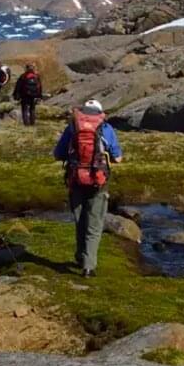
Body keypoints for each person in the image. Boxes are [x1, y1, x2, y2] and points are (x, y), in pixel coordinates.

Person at [53, 99, 123, 278]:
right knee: (95, 223)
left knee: (80, 220)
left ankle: (80, 256)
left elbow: (58, 154)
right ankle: (88, 266)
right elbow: (118, 158)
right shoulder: (105, 128)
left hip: (75, 179)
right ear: (99, 112)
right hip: (98, 181)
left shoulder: (72, 127)